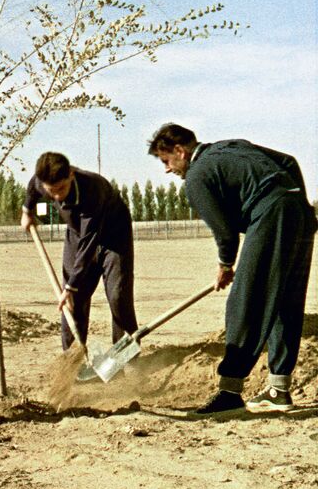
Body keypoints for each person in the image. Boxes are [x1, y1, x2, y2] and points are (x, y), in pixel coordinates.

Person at [148, 123, 317, 414]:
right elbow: (289, 162)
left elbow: (224, 233)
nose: (166, 169)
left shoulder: (196, 177)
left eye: (166, 161)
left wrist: (225, 265)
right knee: (285, 301)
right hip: (299, 212)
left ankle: (229, 392)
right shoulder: (231, 145)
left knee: (244, 302)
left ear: (180, 151)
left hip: (271, 213)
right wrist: (298, 203)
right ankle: (279, 390)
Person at [21, 152, 138, 370]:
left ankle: (124, 360)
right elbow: (33, 186)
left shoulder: (92, 189)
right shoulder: (42, 181)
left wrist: (71, 285)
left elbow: (89, 242)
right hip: (77, 235)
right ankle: (74, 362)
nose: (56, 197)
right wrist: (27, 210)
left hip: (114, 237)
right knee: (71, 304)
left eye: (61, 190)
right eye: (51, 191)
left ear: (71, 175)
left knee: (118, 296)